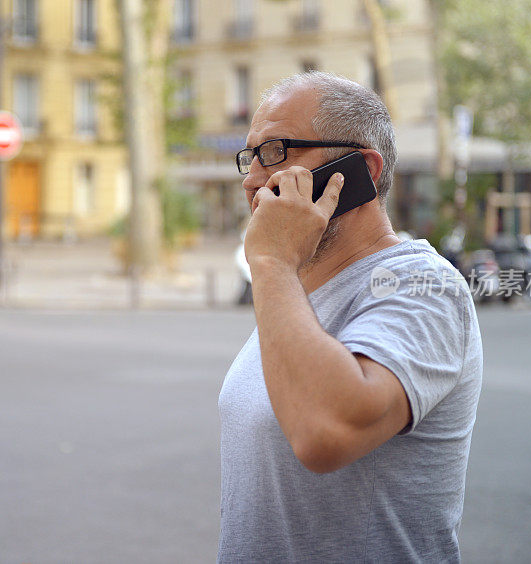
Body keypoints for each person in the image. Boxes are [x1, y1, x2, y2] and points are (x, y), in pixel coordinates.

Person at [218, 72, 483, 563]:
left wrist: (273, 263)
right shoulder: (296, 292)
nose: (253, 178)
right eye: (248, 156)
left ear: (360, 168)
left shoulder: (426, 285)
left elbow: (325, 432)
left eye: (276, 150)